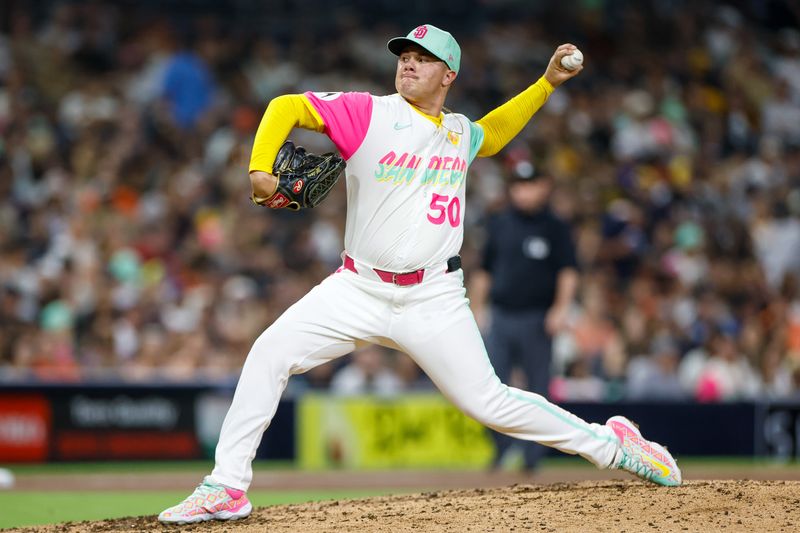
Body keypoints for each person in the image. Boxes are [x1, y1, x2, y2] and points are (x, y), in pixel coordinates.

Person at [159, 24, 681, 525]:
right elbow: (286, 106)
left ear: (448, 75)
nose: (408, 63)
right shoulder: (369, 113)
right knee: (269, 353)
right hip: (357, 287)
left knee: (490, 402)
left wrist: (545, 85)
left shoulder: (458, 132)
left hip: (433, 296)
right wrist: (259, 168)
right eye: (404, 56)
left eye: (422, 59)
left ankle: (615, 446)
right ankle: (226, 485)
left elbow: (493, 133)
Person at [470, 165, 579, 472]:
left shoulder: (554, 226)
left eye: (529, 184)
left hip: (537, 318)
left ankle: (533, 459)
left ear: (542, 187)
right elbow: (484, 271)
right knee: (491, 387)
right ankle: (501, 451)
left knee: (537, 388)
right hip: (501, 316)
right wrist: (478, 308)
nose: (523, 191)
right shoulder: (499, 223)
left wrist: (560, 308)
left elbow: (568, 271)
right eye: (518, 185)